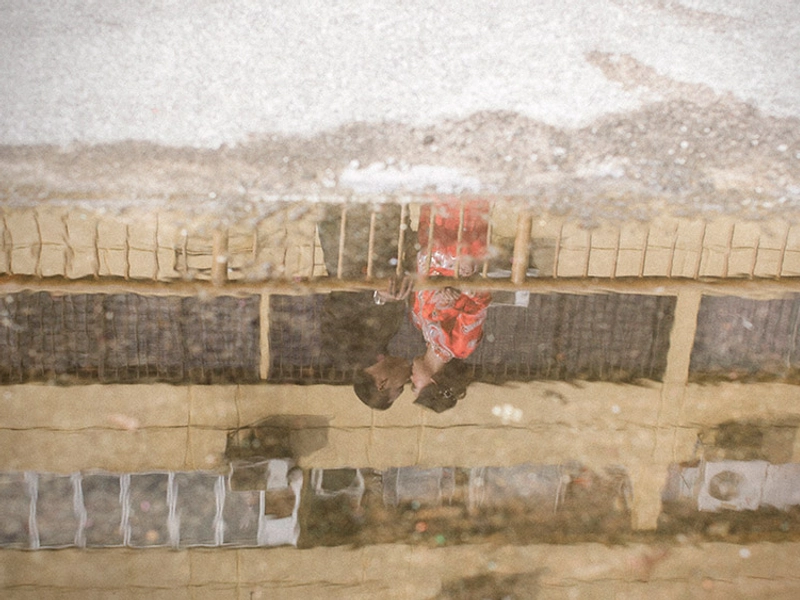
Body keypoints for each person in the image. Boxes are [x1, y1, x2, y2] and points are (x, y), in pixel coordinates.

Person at [410, 199, 492, 412]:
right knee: (466, 196)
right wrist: (457, 291)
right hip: (458, 246)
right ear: (432, 382)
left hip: (432, 239)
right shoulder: (460, 346)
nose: (410, 379)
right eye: (414, 385)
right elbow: (480, 302)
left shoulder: (422, 328)